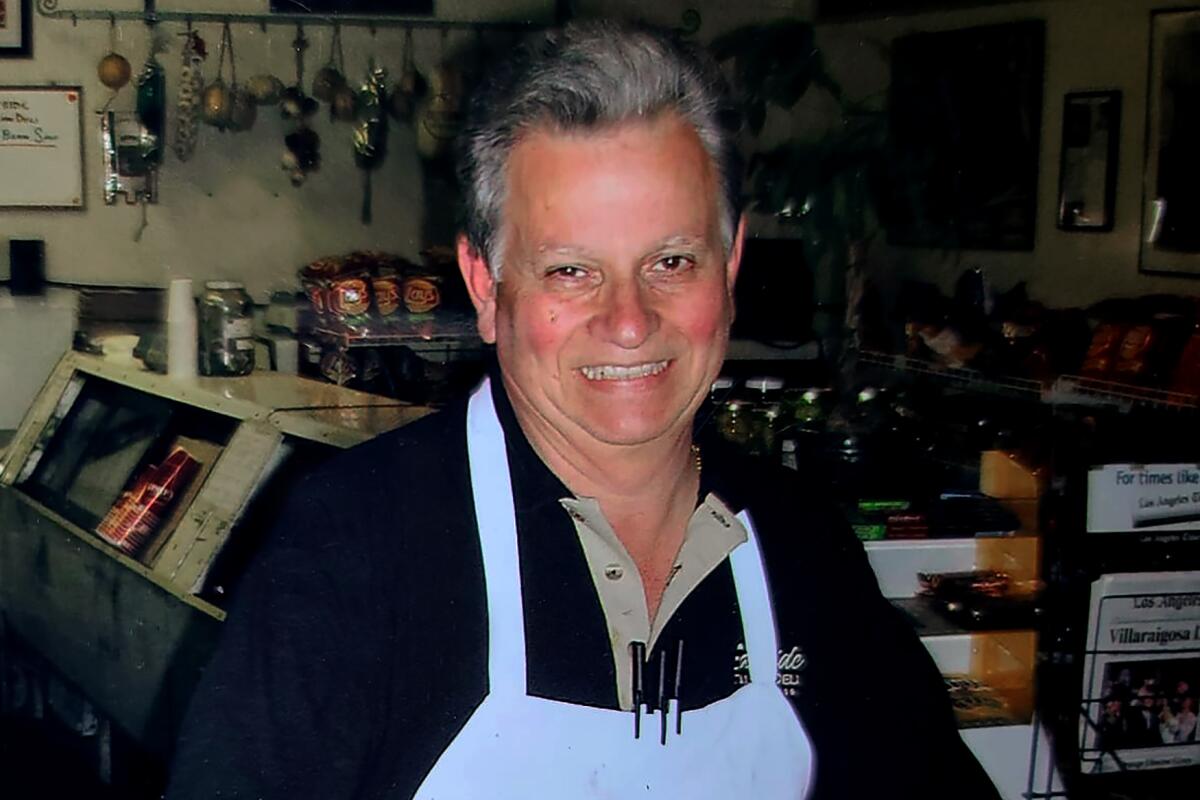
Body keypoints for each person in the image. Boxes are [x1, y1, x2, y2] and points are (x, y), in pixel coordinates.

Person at [166, 21, 998, 799]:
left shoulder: (800, 547)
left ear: (732, 265)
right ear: (487, 287)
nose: (630, 321)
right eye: (571, 270)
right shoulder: (355, 548)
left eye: (672, 260)